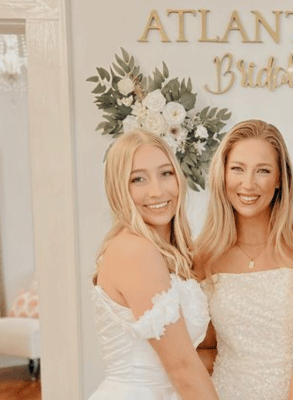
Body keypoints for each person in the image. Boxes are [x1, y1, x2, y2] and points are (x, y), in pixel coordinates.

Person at [195, 119, 293, 400]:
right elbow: (207, 349)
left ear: (280, 179)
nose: (248, 183)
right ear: (223, 175)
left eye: (263, 171)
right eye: (237, 169)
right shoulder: (202, 258)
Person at [90, 130, 219, 400]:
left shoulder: (175, 253)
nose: (157, 191)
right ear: (119, 189)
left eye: (165, 174)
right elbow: (182, 368)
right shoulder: (135, 251)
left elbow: (197, 354)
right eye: (138, 179)